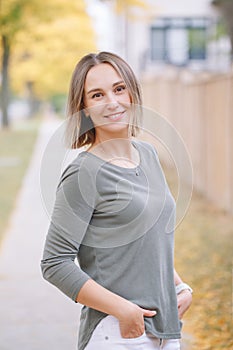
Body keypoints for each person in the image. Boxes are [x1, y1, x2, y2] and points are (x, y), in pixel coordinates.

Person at [41, 51, 192, 350]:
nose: (112, 102)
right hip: (118, 334)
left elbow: (148, 240)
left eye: (119, 88)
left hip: (166, 331)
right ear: (83, 110)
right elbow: (54, 263)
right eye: (97, 95)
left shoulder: (147, 155)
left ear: (133, 93)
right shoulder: (84, 173)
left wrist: (179, 287)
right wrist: (123, 310)